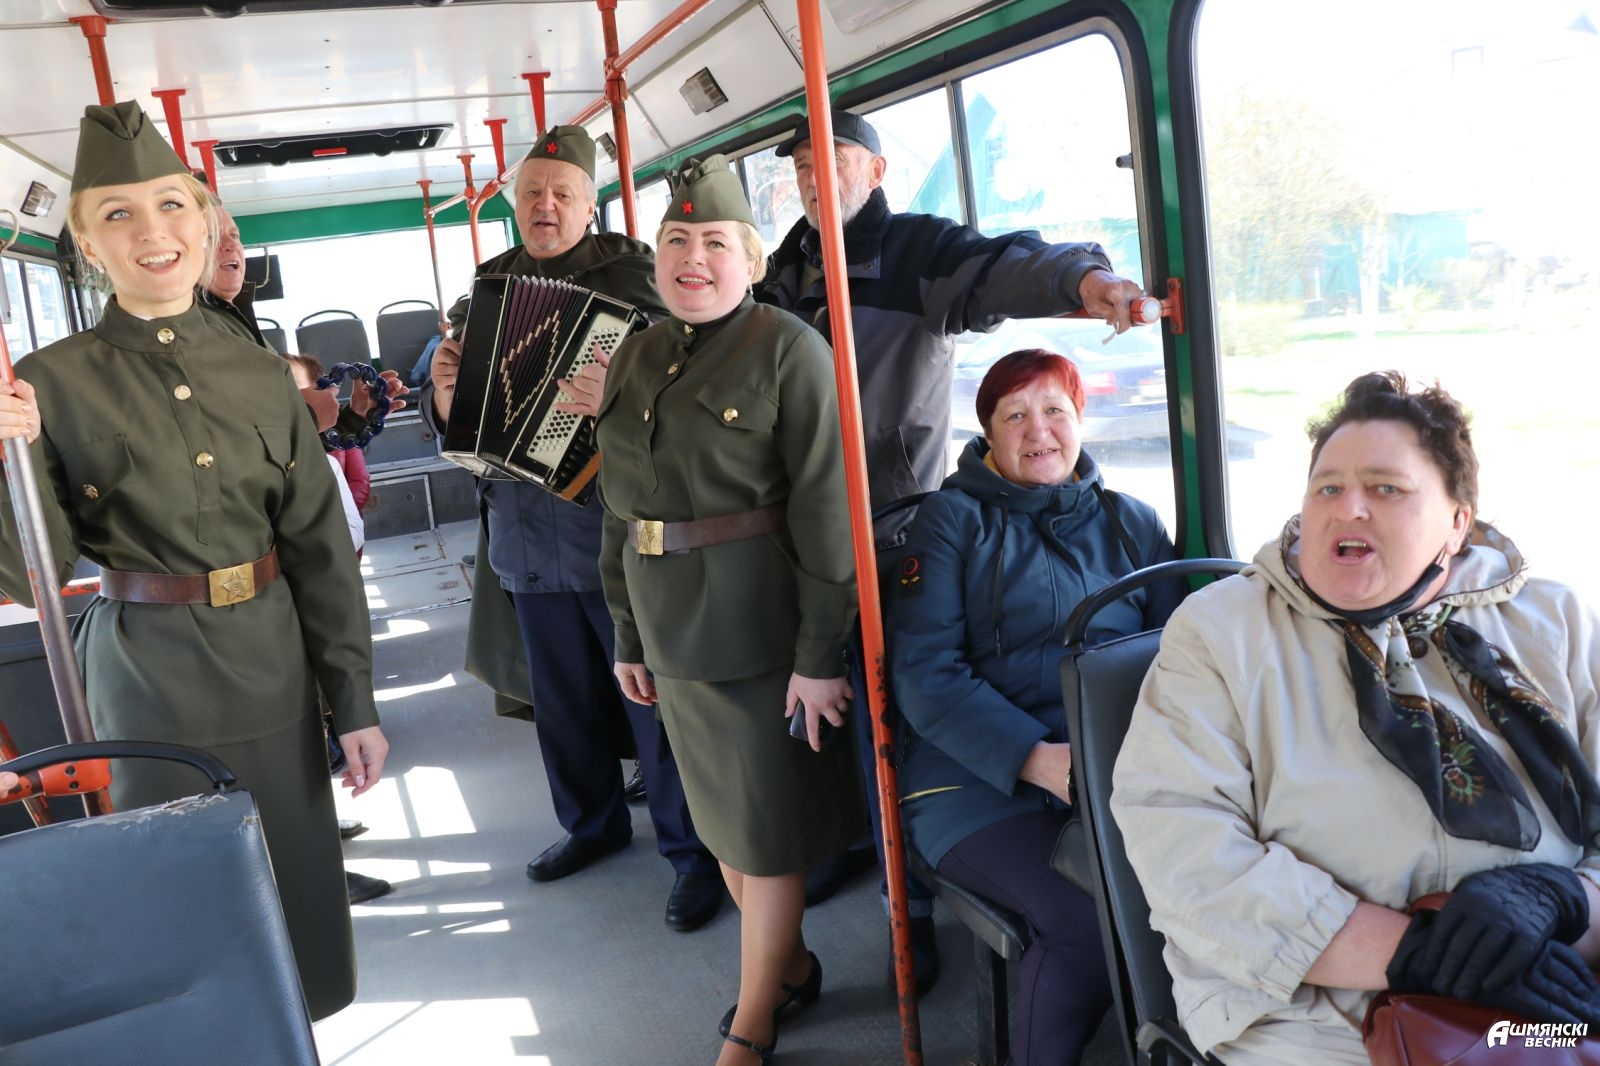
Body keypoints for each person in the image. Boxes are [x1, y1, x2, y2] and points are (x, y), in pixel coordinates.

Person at [0, 101, 387, 1020]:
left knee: (295, 894)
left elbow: (319, 550)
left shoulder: (260, 371)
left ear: (205, 221)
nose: (153, 232)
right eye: (119, 214)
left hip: (272, 664)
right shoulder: (49, 383)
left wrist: (355, 703)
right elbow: (27, 573)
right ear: (88, 244)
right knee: (172, 905)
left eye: (172, 205)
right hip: (144, 678)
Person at [757, 106, 1152, 989]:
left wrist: (1084, 281)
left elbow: (1004, 266)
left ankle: (907, 908)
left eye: (835, 159)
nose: (817, 178)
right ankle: (848, 845)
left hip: (887, 525)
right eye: (803, 166)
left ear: (876, 171)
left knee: (883, 712)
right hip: (796, 532)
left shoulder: (914, 254)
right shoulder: (781, 271)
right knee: (821, 708)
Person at [1111, 371, 1600, 1065]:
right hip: (1319, 1016)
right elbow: (1184, 847)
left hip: (1553, 982)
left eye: (1386, 488)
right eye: (1328, 489)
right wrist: (1415, 954)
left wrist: (1563, 900)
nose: (1350, 509)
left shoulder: (1557, 621)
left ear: (1457, 523)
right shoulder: (1222, 633)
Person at [597, 154, 863, 1066]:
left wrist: (819, 656)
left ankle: (754, 1019)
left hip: (761, 635)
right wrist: (626, 631)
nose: (694, 259)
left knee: (767, 835)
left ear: (750, 258)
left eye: (715, 241)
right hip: (669, 632)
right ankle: (791, 968)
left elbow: (829, 512)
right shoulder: (639, 352)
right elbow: (620, 509)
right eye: (677, 241)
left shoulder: (790, 349)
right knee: (723, 829)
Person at [421, 125, 721, 931]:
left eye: (562, 194)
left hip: (613, 529)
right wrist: (444, 395)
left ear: (591, 204)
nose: (545, 207)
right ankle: (591, 825)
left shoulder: (639, 279)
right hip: (523, 533)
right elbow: (459, 421)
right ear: (515, 205)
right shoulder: (487, 289)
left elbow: (690, 385)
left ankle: (691, 854)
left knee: (652, 703)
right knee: (561, 702)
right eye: (531, 194)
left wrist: (619, 394)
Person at [891, 349, 1181, 1065]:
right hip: (972, 779)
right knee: (1086, 922)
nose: (1038, 430)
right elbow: (926, 675)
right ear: (989, 434)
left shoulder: (1131, 522)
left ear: (1081, 421)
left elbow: (1183, 657)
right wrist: (1035, 759)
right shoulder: (951, 522)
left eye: (1055, 410)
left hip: (1116, 767)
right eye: (1015, 415)